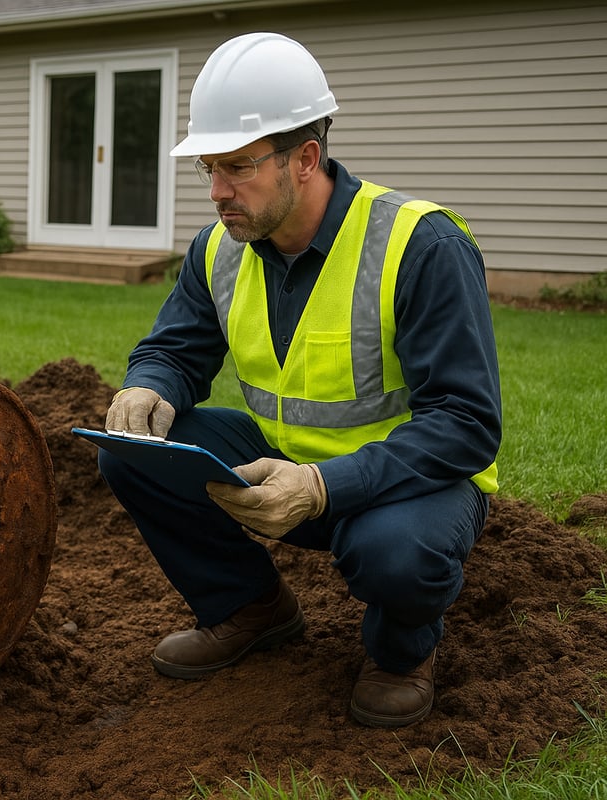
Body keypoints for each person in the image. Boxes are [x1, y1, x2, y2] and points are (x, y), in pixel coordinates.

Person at [97, 31, 501, 728]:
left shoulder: (421, 246)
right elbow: (176, 346)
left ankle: (401, 653)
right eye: (208, 169)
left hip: (404, 490)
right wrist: (150, 385)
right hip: (284, 470)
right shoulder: (222, 247)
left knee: (396, 554)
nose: (218, 191)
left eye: (237, 167)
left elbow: (467, 424)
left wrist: (322, 486)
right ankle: (251, 607)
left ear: (306, 158)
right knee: (133, 452)